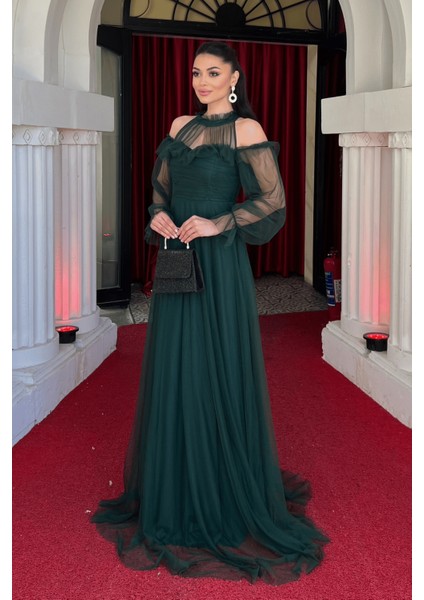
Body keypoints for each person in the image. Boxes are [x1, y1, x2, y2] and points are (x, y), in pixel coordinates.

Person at [92, 41, 328, 585]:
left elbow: (273, 200)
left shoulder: (246, 130)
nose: (201, 81)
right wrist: (158, 217)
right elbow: (160, 192)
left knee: (216, 364)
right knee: (177, 366)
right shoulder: (180, 126)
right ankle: (176, 483)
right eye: (197, 72)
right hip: (179, 260)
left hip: (220, 267)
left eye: (213, 73)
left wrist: (220, 222)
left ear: (234, 79)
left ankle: (221, 486)